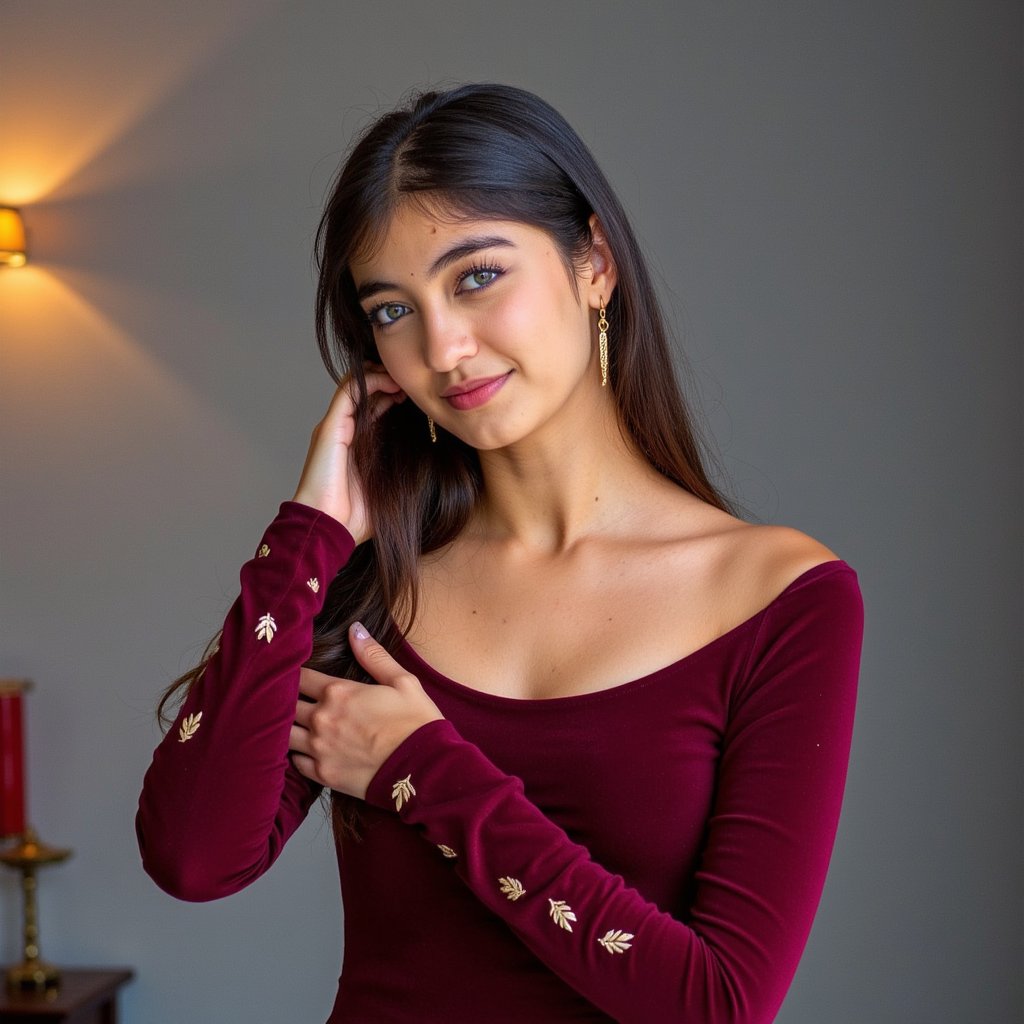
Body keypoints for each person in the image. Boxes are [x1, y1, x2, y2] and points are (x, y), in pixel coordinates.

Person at [137, 83, 863, 1024]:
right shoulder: (374, 579)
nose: (444, 347)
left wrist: (421, 770)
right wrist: (307, 533)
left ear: (593, 263)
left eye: (476, 276)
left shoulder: (780, 598)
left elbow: (718, 1007)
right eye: (393, 312)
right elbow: (191, 857)